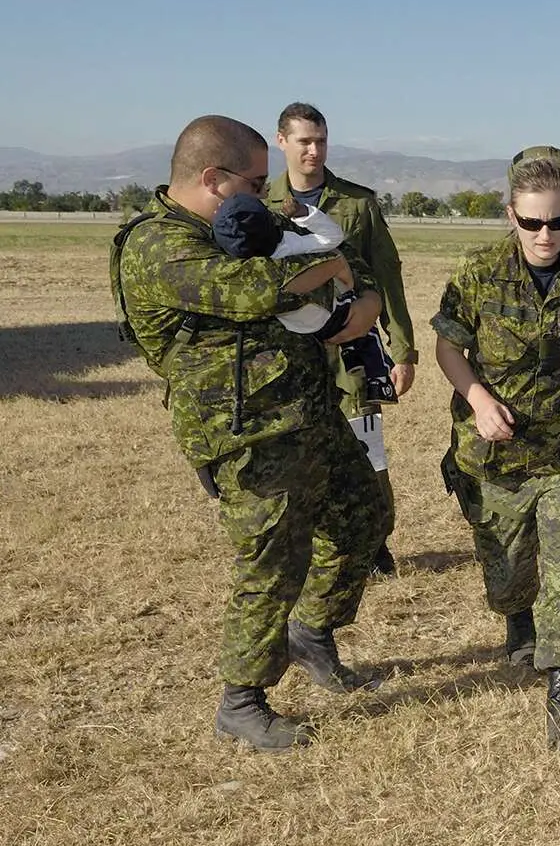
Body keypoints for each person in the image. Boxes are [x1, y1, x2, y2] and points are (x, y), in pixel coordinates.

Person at [112, 115, 386, 752]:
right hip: (244, 434)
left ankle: (312, 634)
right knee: (271, 562)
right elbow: (260, 288)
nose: (269, 196)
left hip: (309, 413)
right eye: (257, 182)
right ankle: (243, 699)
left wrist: (362, 297)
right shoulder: (158, 246)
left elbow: (347, 267)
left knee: (364, 521)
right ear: (214, 179)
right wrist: (334, 268)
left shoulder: (247, 223)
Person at [432, 154, 560, 752]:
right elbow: (447, 347)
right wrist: (479, 401)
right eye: (533, 224)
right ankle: (517, 618)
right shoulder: (477, 274)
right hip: (500, 453)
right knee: (509, 572)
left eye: (559, 223)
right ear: (511, 215)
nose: (546, 236)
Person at [266, 102, 416, 575]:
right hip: (288, 353)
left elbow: (386, 277)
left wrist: (403, 349)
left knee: (364, 444)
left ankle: (374, 540)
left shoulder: (357, 203)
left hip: (351, 349)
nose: (314, 150)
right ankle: (311, 542)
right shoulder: (257, 204)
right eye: (304, 141)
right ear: (281, 141)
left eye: (321, 141)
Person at [212, 194, 396, 405]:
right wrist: (305, 214)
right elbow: (332, 237)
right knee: (366, 327)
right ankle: (380, 381)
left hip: (303, 331)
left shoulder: (244, 271)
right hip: (334, 315)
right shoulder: (290, 243)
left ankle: (353, 357)